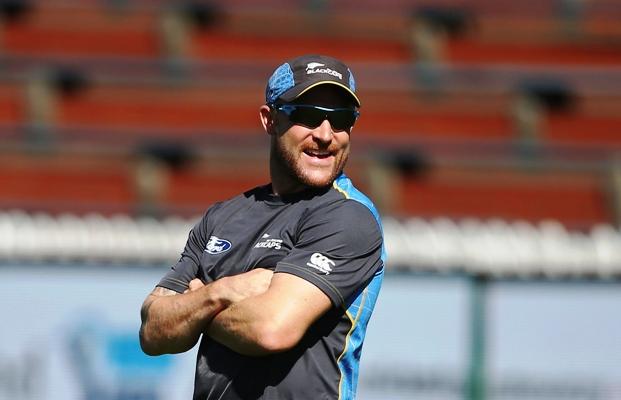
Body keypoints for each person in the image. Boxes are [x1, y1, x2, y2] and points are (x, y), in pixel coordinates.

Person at [139, 54, 385, 400]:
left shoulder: (348, 216)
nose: (326, 135)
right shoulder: (221, 216)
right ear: (269, 120)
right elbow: (152, 331)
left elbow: (271, 329)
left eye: (341, 120)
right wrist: (220, 293)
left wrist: (193, 309)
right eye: (307, 116)